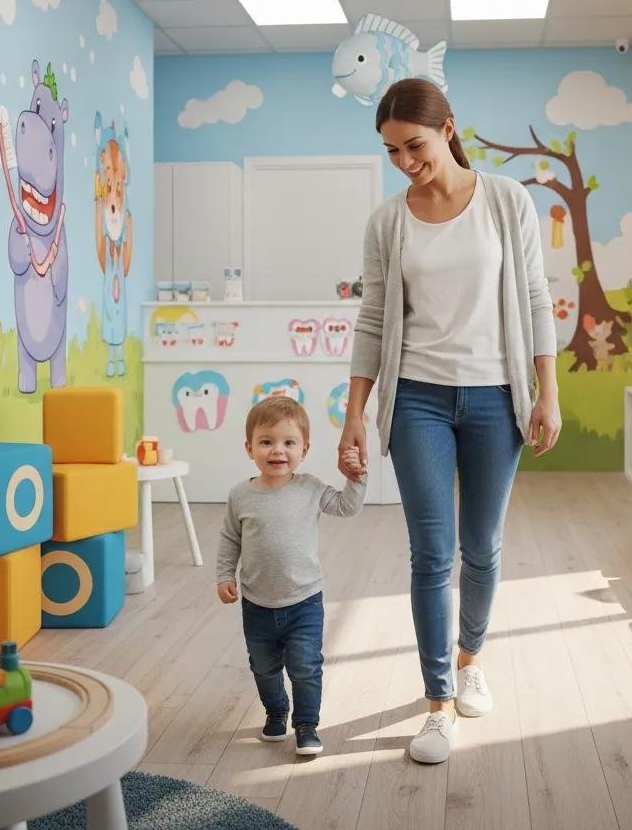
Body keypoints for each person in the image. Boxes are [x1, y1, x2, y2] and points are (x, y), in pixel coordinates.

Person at [338, 77, 561, 764]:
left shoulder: (505, 200)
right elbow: (374, 319)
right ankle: (438, 704)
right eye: (391, 151)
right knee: (432, 554)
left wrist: (546, 393)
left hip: (497, 397)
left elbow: (532, 293)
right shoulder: (387, 221)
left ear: (449, 129)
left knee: (482, 548)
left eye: (415, 145)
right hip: (419, 402)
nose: (405, 161)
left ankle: (470, 661)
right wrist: (355, 413)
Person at [216, 396, 366, 757]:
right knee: (263, 667)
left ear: (305, 448)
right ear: (249, 447)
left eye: (288, 443)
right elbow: (229, 539)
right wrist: (224, 575)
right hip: (256, 604)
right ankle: (276, 710)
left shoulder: (310, 488)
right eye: (266, 442)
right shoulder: (240, 495)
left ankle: (306, 724)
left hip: (304, 602)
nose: (277, 451)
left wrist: (356, 477)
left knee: (305, 666)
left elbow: (346, 507)